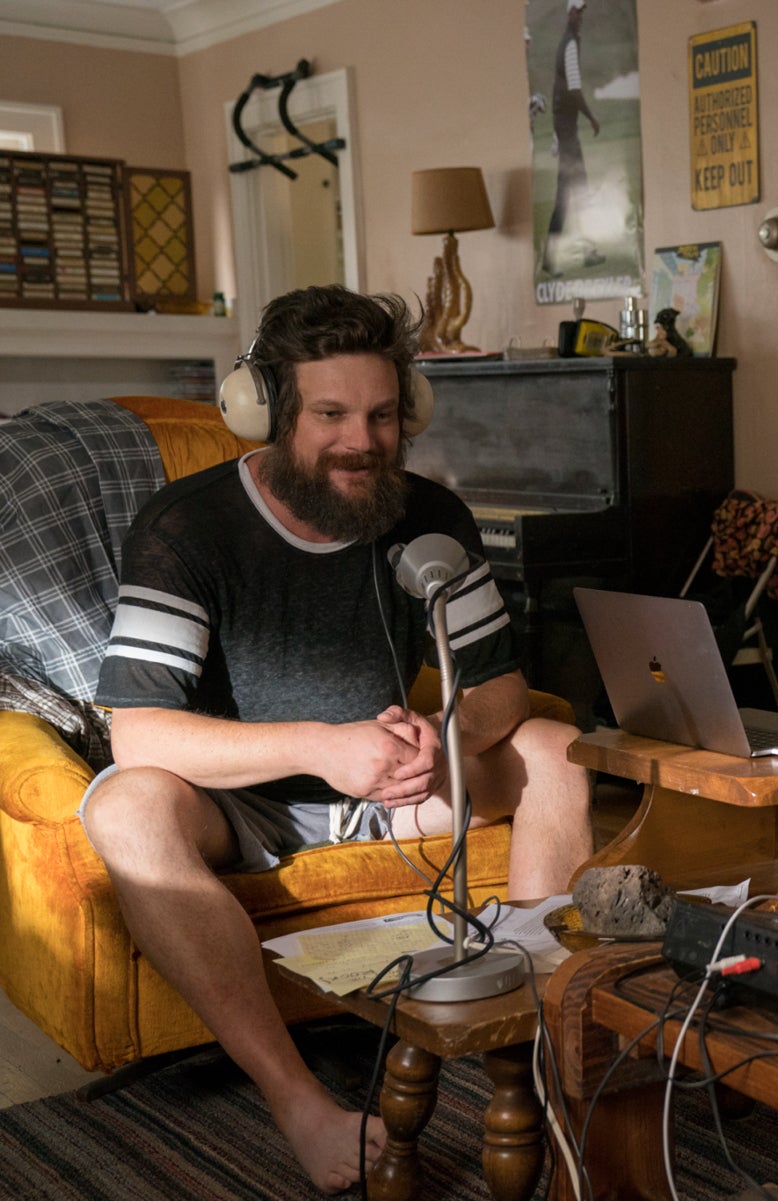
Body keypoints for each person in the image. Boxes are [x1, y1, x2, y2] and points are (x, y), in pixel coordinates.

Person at [79, 286, 594, 1193]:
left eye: (384, 414)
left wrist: (445, 733)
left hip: (394, 788)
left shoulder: (429, 515)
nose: (362, 439)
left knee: (553, 745)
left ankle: (544, 1050)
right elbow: (139, 729)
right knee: (126, 807)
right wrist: (322, 745)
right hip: (243, 807)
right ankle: (298, 1100)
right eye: (331, 413)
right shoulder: (186, 527)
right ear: (270, 411)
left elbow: (500, 683)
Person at [539, 0, 600, 276]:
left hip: (565, 131)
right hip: (568, 134)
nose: (581, 16)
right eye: (578, 11)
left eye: (583, 12)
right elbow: (574, 90)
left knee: (573, 195)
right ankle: (558, 258)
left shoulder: (569, 42)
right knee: (571, 197)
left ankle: (571, 255)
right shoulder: (570, 45)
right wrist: (592, 117)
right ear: (569, 13)